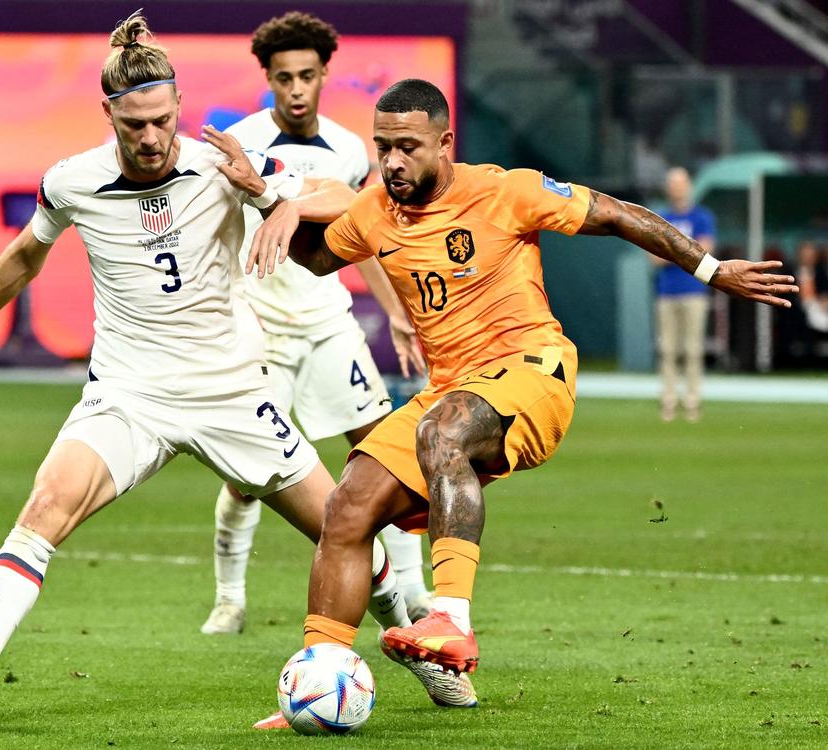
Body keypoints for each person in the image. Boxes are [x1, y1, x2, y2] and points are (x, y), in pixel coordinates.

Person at [0, 16, 449, 728]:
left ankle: (412, 642)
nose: (153, 138)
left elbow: (350, 200)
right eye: (136, 126)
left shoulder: (221, 165)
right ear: (109, 116)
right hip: (129, 396)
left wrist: (265, 193)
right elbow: (24, 256)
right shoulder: (73, 181)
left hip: (231, 394)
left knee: (345, 530)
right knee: (42, 510)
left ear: (179, 107)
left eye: (163, 120)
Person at [247, 78, 796, 677]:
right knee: (346, 507)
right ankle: (324, 676)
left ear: (445, 142)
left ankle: (450, 618)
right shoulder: (375, 210)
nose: (393, 161)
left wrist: (712, 270)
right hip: (450, 390)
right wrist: (268, 200)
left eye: (407, 146)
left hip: (533, 370)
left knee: (441, 429)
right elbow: (321, 257)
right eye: (383, 147)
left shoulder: (507, 190)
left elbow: (616, 215)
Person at [201, 11, 433, 642]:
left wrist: (394, 313)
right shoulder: (240, 143)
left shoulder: (351, 149)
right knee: (247, 480)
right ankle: (228, 599)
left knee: (385, 454)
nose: (297, 88)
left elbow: (365, 235)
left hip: (328, 323)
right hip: (261, 331)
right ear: (268, 79)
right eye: (285, 78)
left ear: (325, 74)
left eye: (307, 75)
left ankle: (413, 591)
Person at [650, 167, 717, 422]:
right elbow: (654, 258)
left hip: (693, 291)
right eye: (673, 183)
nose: (677, 188)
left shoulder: (702, 216)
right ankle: (668, 401)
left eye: (681, 183)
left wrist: (671, 250)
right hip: (666, 293)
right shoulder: (661, 218)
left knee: (693, 350)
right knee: (668, 350)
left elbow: (705, 252)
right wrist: (686, 252)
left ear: (689, 186)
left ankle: (692, 401)